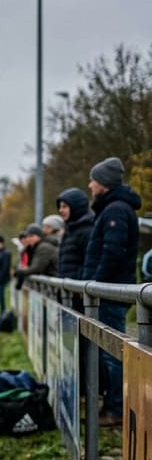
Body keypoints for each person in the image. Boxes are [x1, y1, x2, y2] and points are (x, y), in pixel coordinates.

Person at [82, 157, 142, 427]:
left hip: (109, 293)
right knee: (109, 351)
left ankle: (117, 408)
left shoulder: (116, 210)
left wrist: (95, 283)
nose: (90, 184)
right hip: (108, 290)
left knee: (112, 352)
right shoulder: (113, 208)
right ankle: (114, 404)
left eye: (94, 179)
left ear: (104, 183)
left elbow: (112, 252)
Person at [13, 224, 57, 290]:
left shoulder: (43, 247)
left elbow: (36, 268)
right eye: (27, 236)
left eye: (32, 236)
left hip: (55, 283)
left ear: (39, 236)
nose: (29, 239)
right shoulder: (33, 248)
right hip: (51, 284)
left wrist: (19, 272)